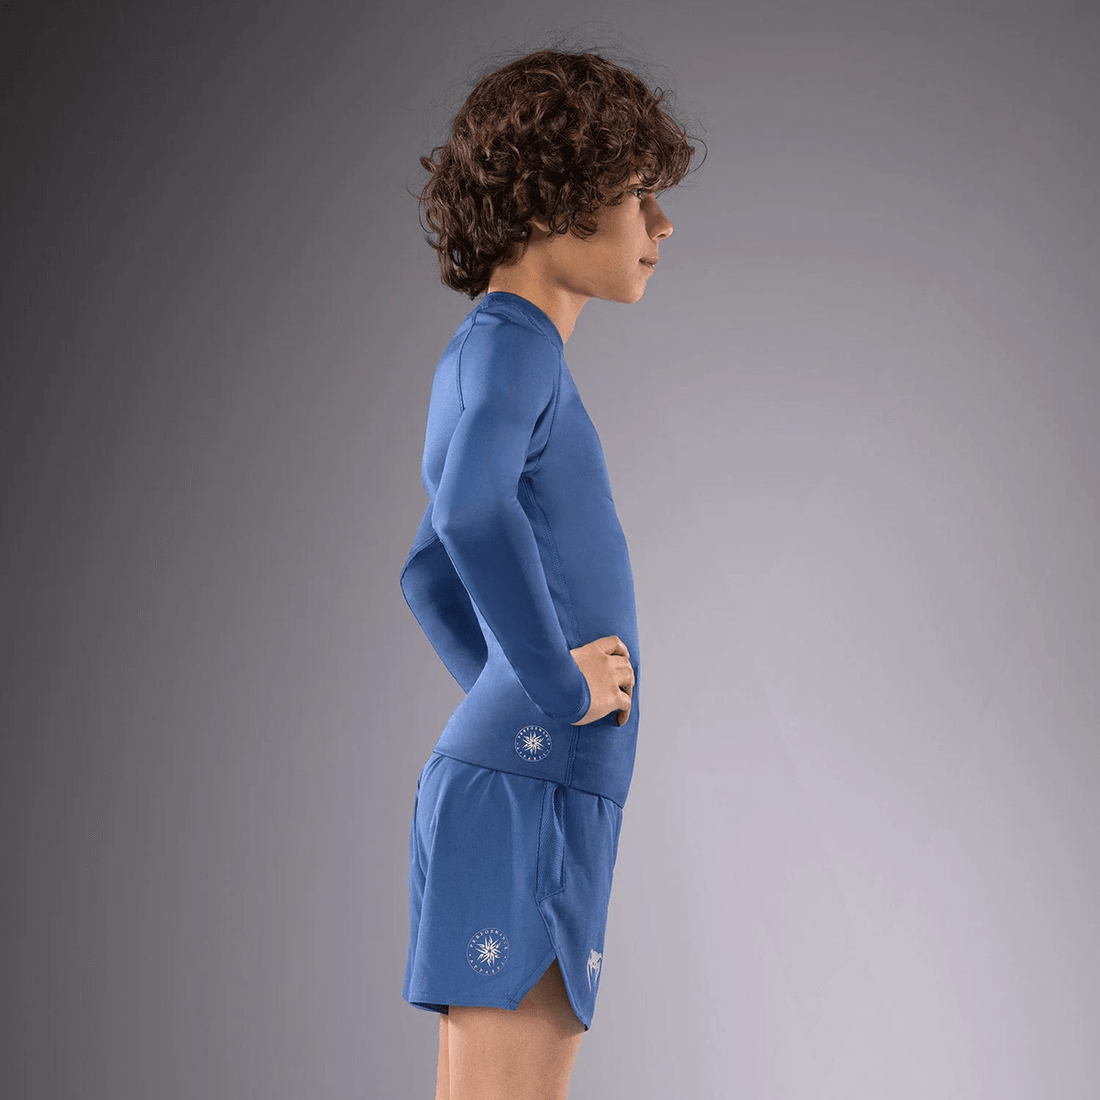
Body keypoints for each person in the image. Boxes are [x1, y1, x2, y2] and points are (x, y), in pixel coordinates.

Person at [401, 46, 697, 1100]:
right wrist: (555, 691)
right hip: (534, 786)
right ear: (548, 203)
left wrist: (510, 693)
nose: (660, 225)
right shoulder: (516, 350)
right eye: (636, 194)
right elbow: (465, 518)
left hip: (521, 778)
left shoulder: (486, 352)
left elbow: (427, 574)